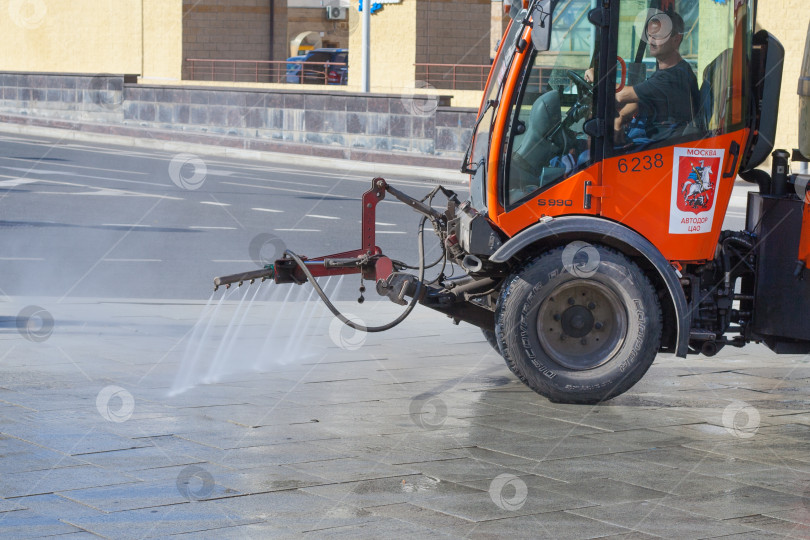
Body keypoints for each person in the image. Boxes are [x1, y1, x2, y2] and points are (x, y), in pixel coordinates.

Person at [585, 10, 700, 144]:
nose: (651, 41)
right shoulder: (669, 71)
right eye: (650, 36)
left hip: (658, 144)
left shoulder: (674, 76)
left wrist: (597, 77)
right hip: (652, 137)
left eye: (657, 36)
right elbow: (641, 99)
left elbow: (621, 95)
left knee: (586, 155)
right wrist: (621, 117)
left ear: (676, 39)